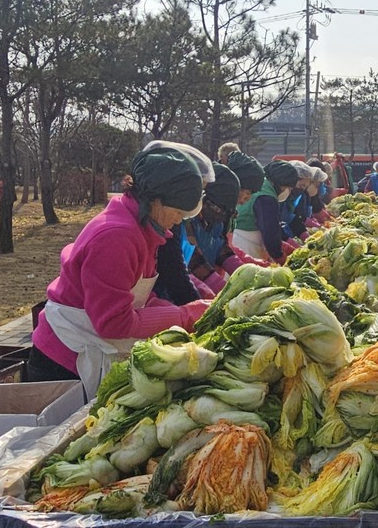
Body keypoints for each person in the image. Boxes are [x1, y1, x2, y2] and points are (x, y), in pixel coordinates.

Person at [27, 145, 212, 397]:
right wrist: (182, 316)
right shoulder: (117, 237)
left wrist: (185, 312)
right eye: (178, 212)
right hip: (62, 361)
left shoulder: (145, 229)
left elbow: (137, 297)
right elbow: (114, 322)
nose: (179, 220)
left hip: (89, 347)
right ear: (156, 200)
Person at [148, 141, 216, 306]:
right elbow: (172, 270)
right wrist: (193, 307)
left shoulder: (177, 217)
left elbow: (182, 262)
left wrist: (201, 287)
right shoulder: (162, 219)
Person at [181, 163, 251, 296]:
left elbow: (220, 247)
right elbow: (193, 260)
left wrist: (243, 272)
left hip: (208, 285)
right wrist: (221, 287)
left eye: (224, 210)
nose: (220, 213)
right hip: (186, 290)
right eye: (217, 208)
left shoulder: (217, 220)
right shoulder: (185, 222)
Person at [232, 160, 299, 263]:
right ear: (281, 184)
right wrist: (279, 256)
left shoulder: (261, 186)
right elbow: (270, 232)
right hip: (246, 245)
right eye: (289, 189)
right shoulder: (267, 198)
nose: (288, 192)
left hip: (241, 239)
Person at [280, 160, 315, 242]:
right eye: (301, 185)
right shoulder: (279, 197)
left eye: (305, 187)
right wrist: (287, 241)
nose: (301, 189)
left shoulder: (292, 199)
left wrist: (303, 233)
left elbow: (292, 219)